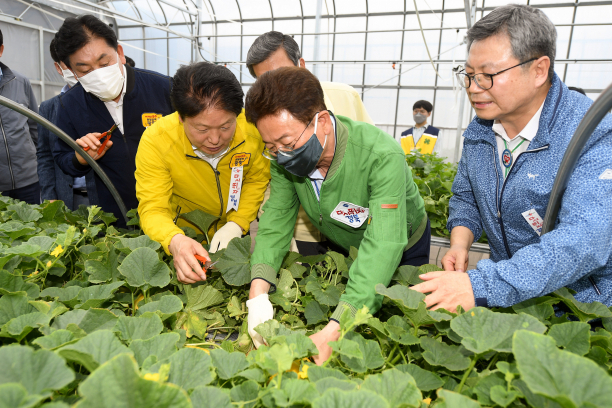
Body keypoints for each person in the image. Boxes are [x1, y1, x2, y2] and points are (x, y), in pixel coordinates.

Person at [411, 4, 612, 313]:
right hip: (518, 298)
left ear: (538, 70)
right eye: (468, 74)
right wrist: (460, 243)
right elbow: (467, 196)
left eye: (488, 75)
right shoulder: (480, 130)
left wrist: (480, 285)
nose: (474, 88)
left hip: (589, 310)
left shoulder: (591, 132)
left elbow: (584, 242)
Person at [244, 67, 430, 363]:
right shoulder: (284, 161)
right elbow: (275, 221)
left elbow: (383, 242)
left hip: (402, 243)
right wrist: (258, 296)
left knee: (402, 324)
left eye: (288, 143)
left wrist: (336, 327)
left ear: (323, 122)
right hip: (343, 240)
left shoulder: (380, 155)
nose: (281, 154)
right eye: (271, 147)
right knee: (350, 299)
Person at [135, 62, 270, 283]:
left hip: (237, 230)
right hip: (187, 235)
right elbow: (153, 208)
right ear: (180, 117)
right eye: (202, 129)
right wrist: (175, 240)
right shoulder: (157, 141)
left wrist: (237, 223)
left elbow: (256, 180)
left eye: (226, 126)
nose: (215, 139)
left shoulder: (253, 130)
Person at [246, 30, 374, 256]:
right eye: (263, 80)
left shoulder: (345, 97)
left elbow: (372, 153)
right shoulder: (262, 121)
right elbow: (270, 179)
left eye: (281, 73)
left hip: (355, 224)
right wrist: (276, 231)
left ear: (301, 65)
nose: (275, 86)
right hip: (305, 229)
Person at [52, 15, 174, 227]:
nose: (99, 75)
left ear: (119, 53)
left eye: (104, 62)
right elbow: (61, 158)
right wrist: (80, 158)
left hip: (171, 206)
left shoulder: (163, 88)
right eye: (85, 70)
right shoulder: (68, 105)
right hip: (115, 214)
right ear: (71, 72)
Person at [38, 37, 94, 210]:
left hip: (101, 194)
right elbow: (45, 156)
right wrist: (49, 196)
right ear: (59, 68)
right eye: (69, 64)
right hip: (67, 196)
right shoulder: (49, 108)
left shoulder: (105, 101)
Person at [0, 28, 40, 204]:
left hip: (29, 179)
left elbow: (35, 126)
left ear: (0, 50)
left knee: (33, 226)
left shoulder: (20, 81)